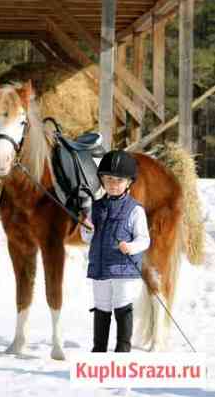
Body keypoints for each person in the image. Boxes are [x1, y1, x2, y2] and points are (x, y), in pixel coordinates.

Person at [81, 149, 150, 353]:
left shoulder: (135, 210)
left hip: (123, 269)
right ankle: (99, 350)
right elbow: (88, 239)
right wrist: (86, 230)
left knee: (122, 306)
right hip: (100, 268)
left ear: (129, 182)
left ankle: (122, 351)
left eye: (118, 180)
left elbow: (144, 239)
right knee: (101, 307)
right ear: (102, 180)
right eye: (108, 179)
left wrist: (131, 247)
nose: (112, 184)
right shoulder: (96, 207)